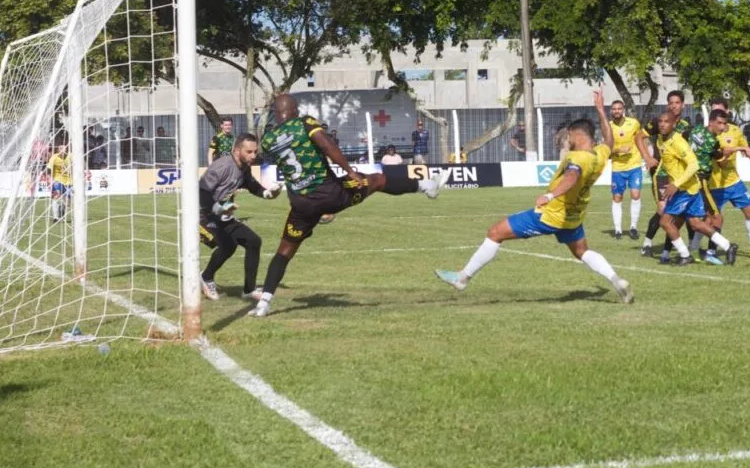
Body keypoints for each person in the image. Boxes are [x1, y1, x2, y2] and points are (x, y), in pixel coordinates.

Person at [249, 95, 448, 317]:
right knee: (377, 180)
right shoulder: (304, 123)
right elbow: (326, 145)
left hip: (301, 204)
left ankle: (263, 303)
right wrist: (350, 171)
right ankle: (427, 186)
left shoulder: (267, 140)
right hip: (328, 194)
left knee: (284, 251)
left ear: (276, 113)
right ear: (294, 109)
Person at [435, 89, 633, 303]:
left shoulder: (577, 157)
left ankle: (462, 278)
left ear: (576, 135)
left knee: (495, 232)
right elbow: (610, 142)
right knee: (582, 252)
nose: (567, 140)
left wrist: (549, 196)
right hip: (574, 215)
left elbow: (572, 177)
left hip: (550, 214)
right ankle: (616, 280)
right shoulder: (600, 154)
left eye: (568, 136)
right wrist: (601, 111)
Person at [640, 111, 739, 265]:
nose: (662, 124)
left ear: (674, 125)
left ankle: (685, 255)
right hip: (689, 187)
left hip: (685, 189)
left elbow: (694, 164)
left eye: (666, 121)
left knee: (666, 222)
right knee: (695, 223)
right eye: (660, 121)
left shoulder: (678, 142)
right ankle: (728, 246)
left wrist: (675, 184)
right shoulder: (661, 140)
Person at [198, 134, 281, 301]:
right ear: (236, 150)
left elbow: (251, 184)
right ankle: (206, 277)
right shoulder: (221, 167)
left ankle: (248, 290)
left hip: (222, 214)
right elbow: (201, 192)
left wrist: (267, 193)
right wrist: (217, 208)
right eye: (249, 151)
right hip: (203, 215)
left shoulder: (244, 167)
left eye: (255, 151)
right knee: (228, 245)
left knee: (253, 241)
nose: (253, 155)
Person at [708, 97, 750, 260]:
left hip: (734, 181)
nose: (715, 113)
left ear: (727, 112)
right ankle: (705, 250)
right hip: (714, 183)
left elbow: (746, 148)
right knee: (714, 220)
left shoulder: (736, 130)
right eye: (713, 110)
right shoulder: (710, 131)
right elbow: (724, 151)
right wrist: (740, 148)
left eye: (719, 109)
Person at [640, 90, 693, 263]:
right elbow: (638, 137)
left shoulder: (686, 126)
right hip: (661, 174)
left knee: (679, 213)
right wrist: (647, 157)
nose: (673, 105)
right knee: (664, 210)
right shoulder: (659, 121)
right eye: (670, 102)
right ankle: (647, 244)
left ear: (683, 105)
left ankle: (674, 250)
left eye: (677, 102)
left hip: (678, 176)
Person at [684, 109, 729, 264]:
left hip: (689, 179)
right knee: (717, 217)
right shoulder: (712, 142)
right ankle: (713, 251)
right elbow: (721, 161)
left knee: (704, 219)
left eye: (724, 124)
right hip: (700, 180)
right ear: (710, 122)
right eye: (719, 123)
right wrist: (736, 150)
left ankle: (693, 250)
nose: (722, 127)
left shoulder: (695, 129)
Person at [607, 100, 644, 240]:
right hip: (618, 167)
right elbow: (605, 148)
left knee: (635, 195)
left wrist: (645, 156)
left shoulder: (633, 123)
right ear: (611, 111)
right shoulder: (608, 127)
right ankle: (618, 230)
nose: (616, 111)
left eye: (619, 108)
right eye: (614, 109)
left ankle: (633, 227)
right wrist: (618, 149)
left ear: (623, 109)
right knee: (617, 197)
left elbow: (640, 139)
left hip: (634, 164)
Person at [47, 143, 72, 223]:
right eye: (61, 149)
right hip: (57, 180)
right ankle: (55, 217)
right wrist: (49, 180)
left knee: (67, 202)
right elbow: (48, 169)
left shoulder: (70, 156)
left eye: (64, 149)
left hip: (68, 181)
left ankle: (61, 214)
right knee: (56, 196)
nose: (63, 151)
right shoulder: (54, 157)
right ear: (58, 151)